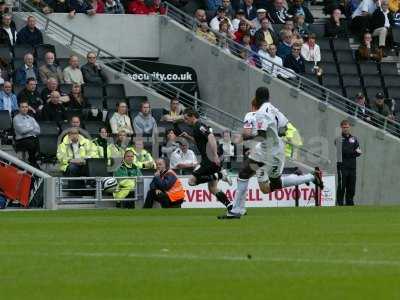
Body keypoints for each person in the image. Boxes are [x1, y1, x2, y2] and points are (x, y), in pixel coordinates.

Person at [220, 87, 323, 219]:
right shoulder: (274, 109)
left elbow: (261, 135)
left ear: (256, 98)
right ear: (269, 97)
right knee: (246, 175)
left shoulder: (261, 113)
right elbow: (284, 128)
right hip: (265, 149)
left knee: (274, 184)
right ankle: (237, 209)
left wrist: (244, 137)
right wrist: (273, 132)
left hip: (272, 153)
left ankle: (311, 177)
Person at [180, 108, 233, 210]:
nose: (185, 122)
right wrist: (188, 137)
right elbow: (199, 141)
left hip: (210, 159)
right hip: (210, 159)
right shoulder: (196, 128)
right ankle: (230, 206)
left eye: (186, 119)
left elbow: (211, 137)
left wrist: (215, 156)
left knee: (191, 181)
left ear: (192, 117)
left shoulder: (199, 125)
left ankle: (221, 175)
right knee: (212, 188)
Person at [334, 119, 362, 206]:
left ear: (350, 127)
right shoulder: (338, 139)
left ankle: (349, 203)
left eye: (347, 127)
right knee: (342, 186)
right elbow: (343, 151)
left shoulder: (354, 139)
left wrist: (351, 152)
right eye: (344, 127)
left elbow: (359, 152)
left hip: (352, 167)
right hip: (342, 166)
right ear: (341, 128)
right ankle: (340, 203)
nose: (345, 129)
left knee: (351, 187)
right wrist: (353, 152)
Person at [13, 100, 41, 169]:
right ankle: (33, 161)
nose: (25, 109)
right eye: (22, 107)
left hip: (32, 138)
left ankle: (33, 161)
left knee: (37, 141)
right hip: (21, 140)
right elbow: (22, 131)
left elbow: (38, 131)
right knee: (31, 142)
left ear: (28, 108)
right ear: (19, 108)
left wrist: (28, 129)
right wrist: (32, 128)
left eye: (26, 107)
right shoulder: (16, 118)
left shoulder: (31, 118)